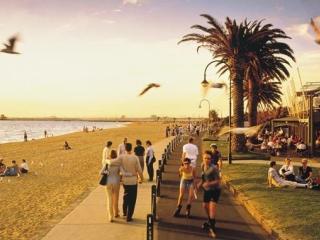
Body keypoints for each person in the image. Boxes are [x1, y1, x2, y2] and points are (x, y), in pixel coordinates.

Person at [197, 151, 221, 238]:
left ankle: (212, 228)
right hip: (207, 190)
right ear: (203, 158)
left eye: (208, 158)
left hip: (215, 190)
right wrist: (200, 183)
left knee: (212, 207)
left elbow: (218, 181)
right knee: (204, 206)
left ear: (211, 159)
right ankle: (210, 221)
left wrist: (208, 184)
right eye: (205, 158)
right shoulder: (202, 165)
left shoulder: (214, 168)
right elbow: (204, 177)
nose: (207, 160)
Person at [118, 143, 144, 222]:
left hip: (125, 180)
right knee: (132, 199)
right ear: (131, 148)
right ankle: (129, 216)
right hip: (133, 181)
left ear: (125, 149)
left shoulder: (121, 157)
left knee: (126, 196)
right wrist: (141, 178)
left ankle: (125, 212)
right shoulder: (135, 157)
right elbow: (139, 169)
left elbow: (119, 169)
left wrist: (120, 178)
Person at [102, 150, 121, 222]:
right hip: (116, 182)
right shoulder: (118, 163)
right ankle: (116, 212)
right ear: (116, 155)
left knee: (109, 199)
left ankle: (110, 216)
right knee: (116, 198)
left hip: (108, 182)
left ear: (110, 155)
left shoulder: (107, 163)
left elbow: (101, 172)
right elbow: (122, 172)